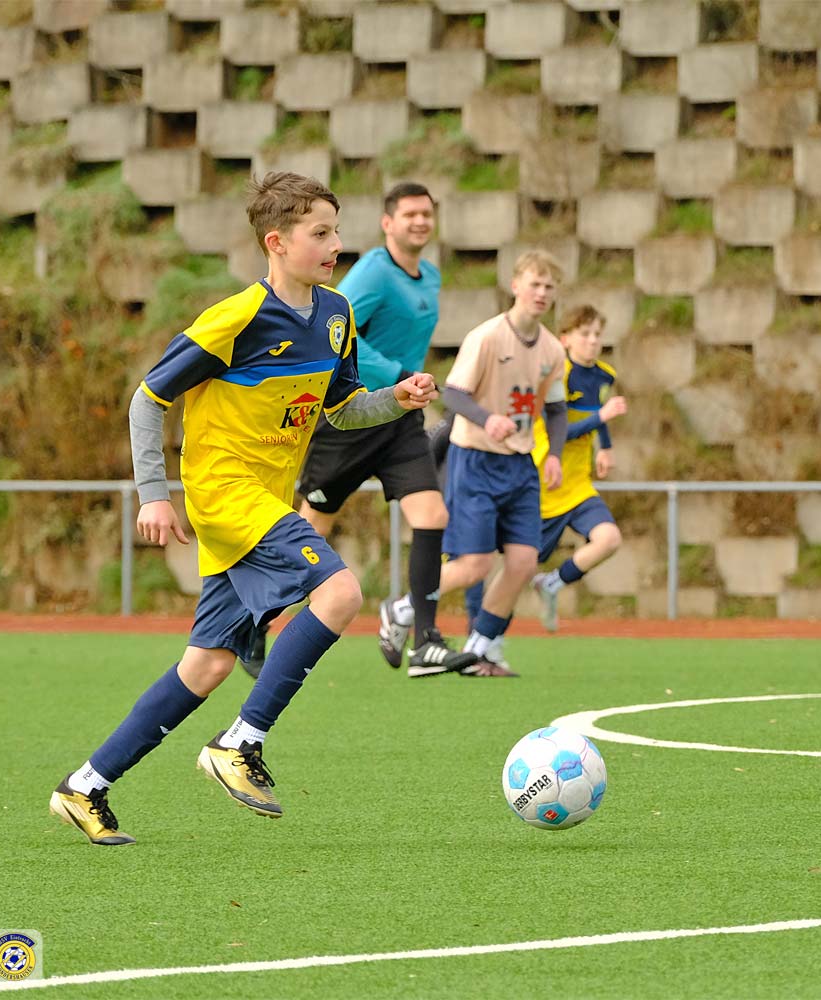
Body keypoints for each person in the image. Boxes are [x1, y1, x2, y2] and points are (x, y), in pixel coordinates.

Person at [49, 172, 438, 845]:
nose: (336, 246)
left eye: (337, 232)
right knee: (341, 593)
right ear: (276, 242)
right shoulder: (236, 318)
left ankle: (85, 786)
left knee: (208, 664)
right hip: (225, 493)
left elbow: (342, 411)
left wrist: (395, 400)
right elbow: (148, 399)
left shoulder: (338, 316)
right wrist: (154, 494)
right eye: (320, 233)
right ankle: (239, 743)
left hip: (265, 500)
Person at [293, 182, 476, 679]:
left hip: (401, 418)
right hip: (353, 415)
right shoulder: (373, 271)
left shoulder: (430, 276)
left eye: (426, 213)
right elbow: (339, 331)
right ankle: (253, 623)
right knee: (311, 529)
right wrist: (397, 374)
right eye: (409, 214)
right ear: (388, 223)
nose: (420, 221)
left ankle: (426, 642)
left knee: (432, 516)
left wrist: (407, 386)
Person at [436, 250, 569, 677]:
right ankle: (403, 608)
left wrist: (554, 455)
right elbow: (453, 394)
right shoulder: (487, 336)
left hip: (520, 462)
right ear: (515, 286)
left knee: (524, 563)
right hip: (475, 457)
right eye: (535, 284)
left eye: (549, 286)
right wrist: (487, 418)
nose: (542, 293)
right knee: (473, 565)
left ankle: (481, 647)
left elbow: (557, 410)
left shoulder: (553, 349)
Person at [462, 303, 628, 638]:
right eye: (585, 334)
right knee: (506, 569)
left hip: (577, 485)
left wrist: (605, 446)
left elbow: (597, 413)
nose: (593, 341)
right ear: (565, 339)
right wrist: (601, 418)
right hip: (541, 485)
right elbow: (558, 431)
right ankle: (481, 634)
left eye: (598, 334)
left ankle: (552, 583)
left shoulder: (605, 375)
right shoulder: (555, 375)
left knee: (609, 539)